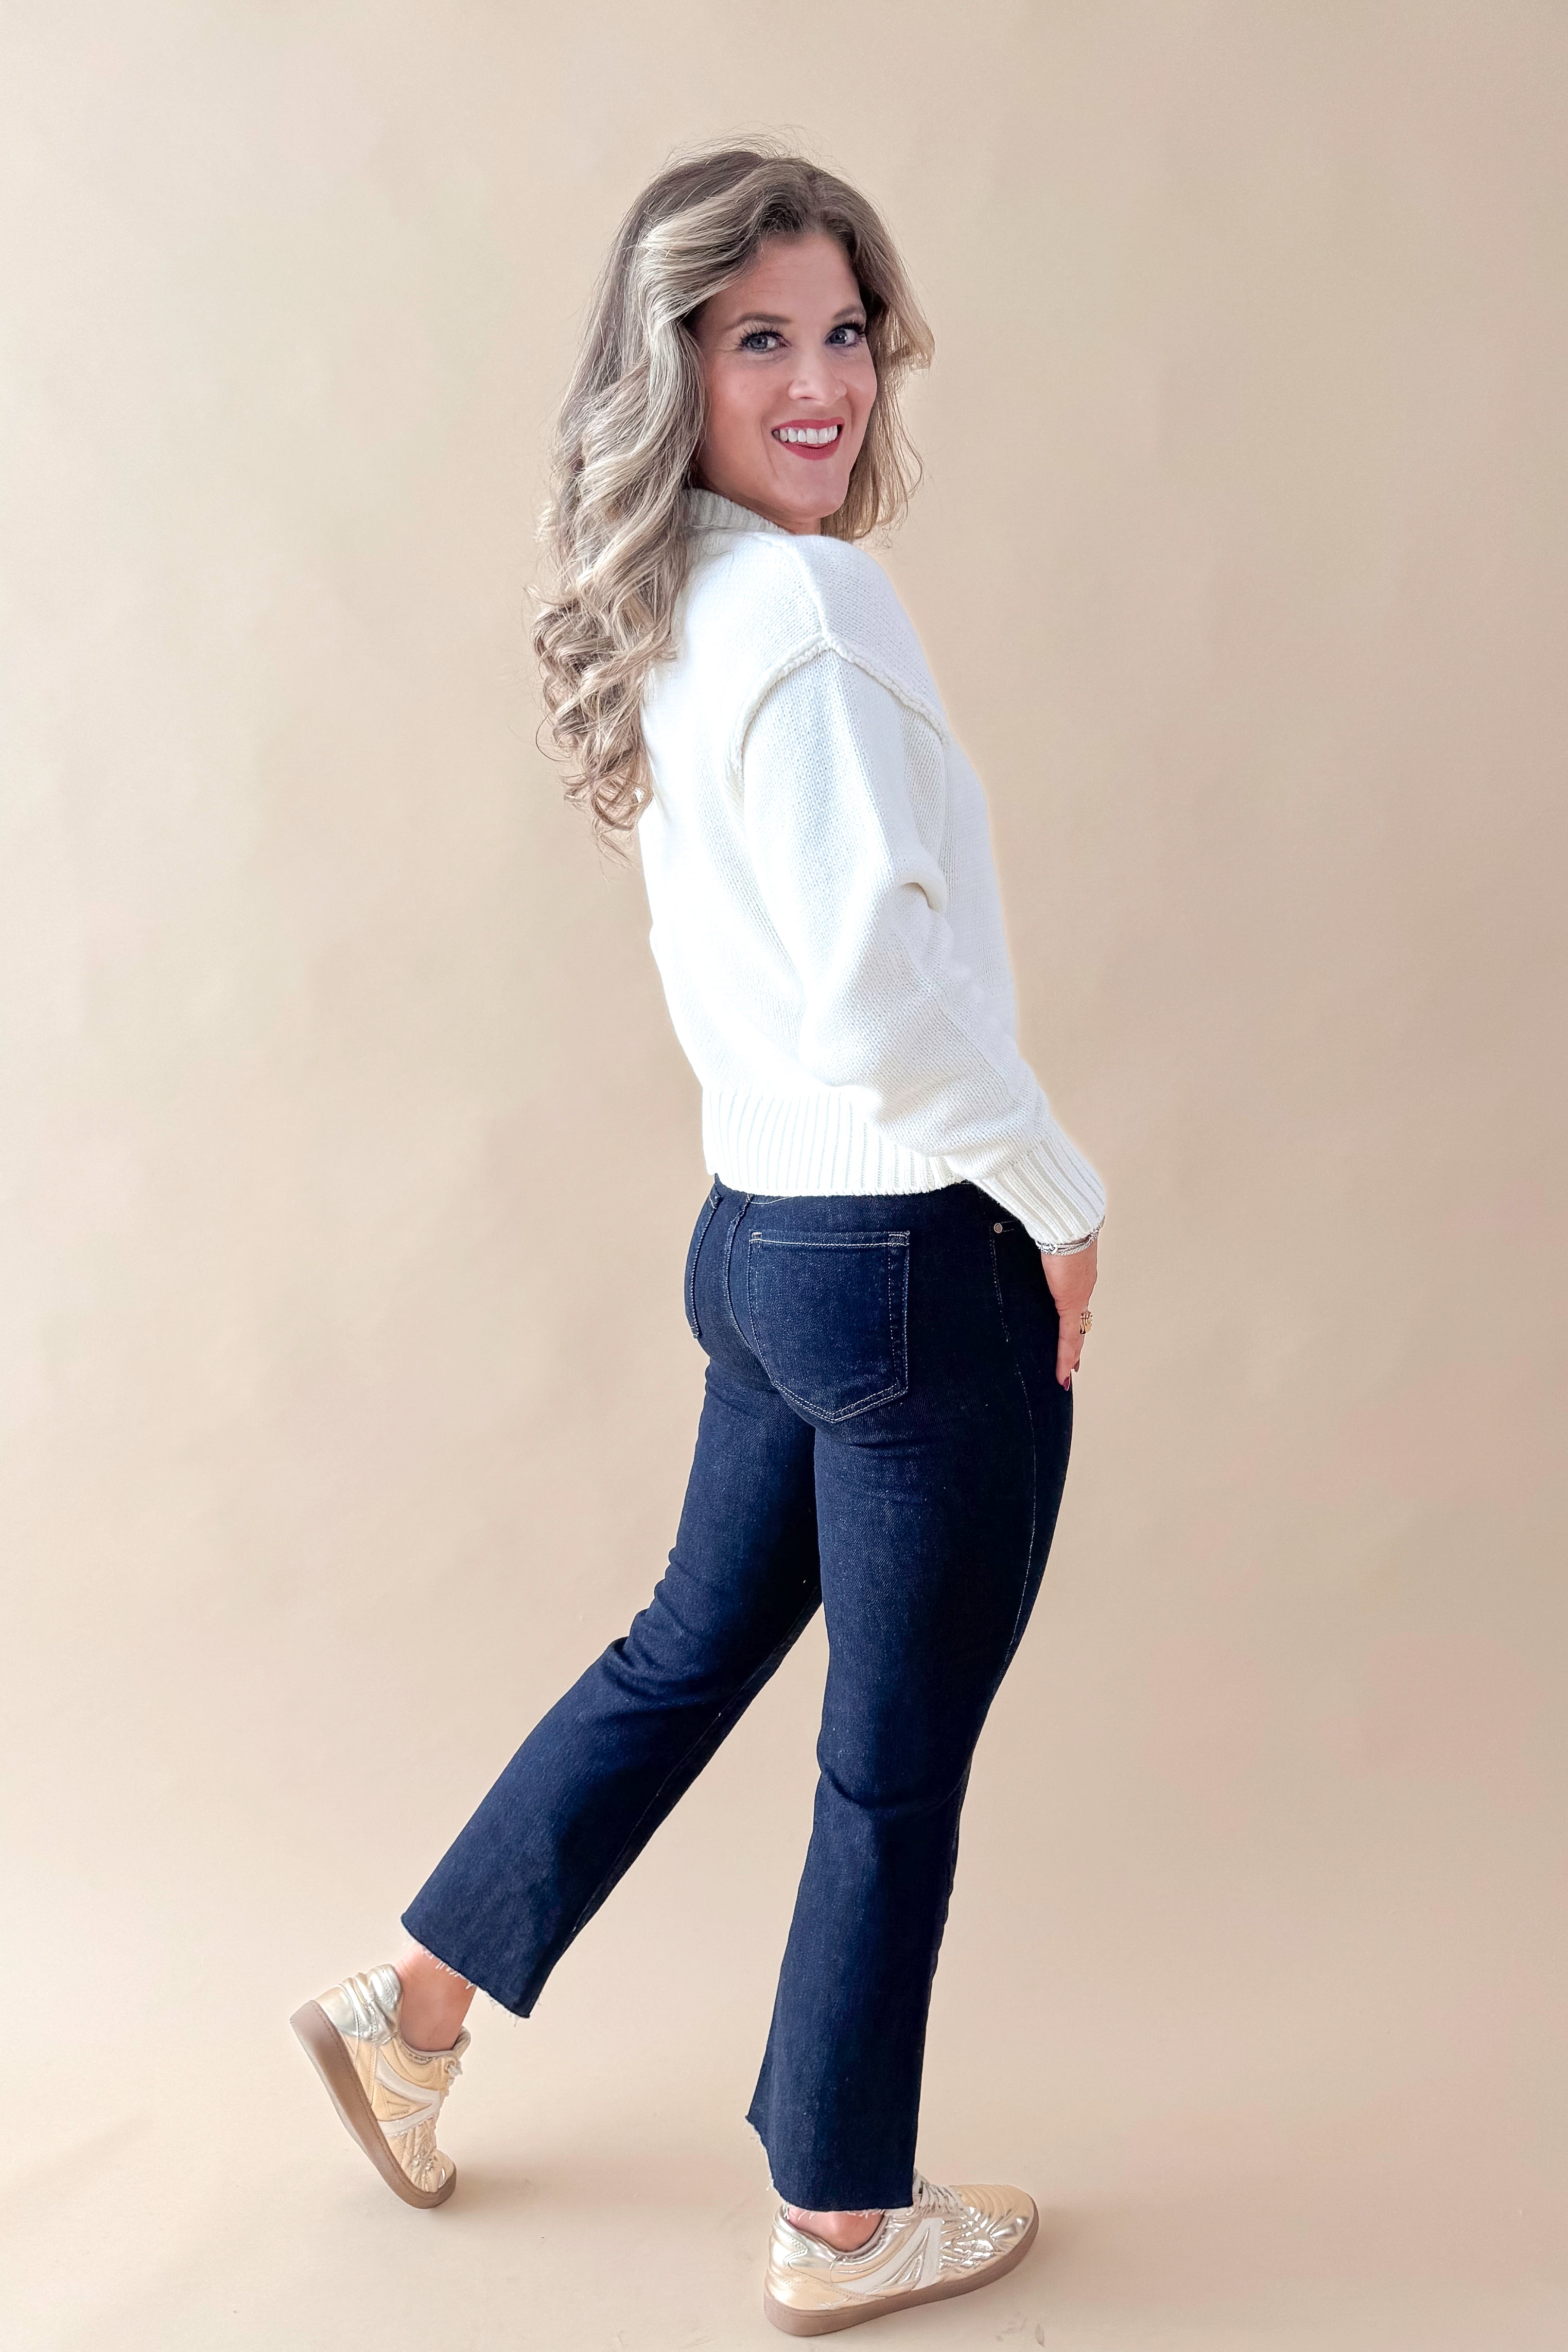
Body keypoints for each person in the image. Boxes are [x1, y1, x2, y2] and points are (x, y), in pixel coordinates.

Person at [291, 143, 1104, 2337]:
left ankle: (413, 2011)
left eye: (845, 333)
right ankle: (846, 2214)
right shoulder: (819, 614)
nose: (822, 382)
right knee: (889, 1757)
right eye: (764, 340)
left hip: (759, 1239)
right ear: (680, 367)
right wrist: (1058, 1191)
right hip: (910, 1253)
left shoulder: (683, 597)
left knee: (685, 1653)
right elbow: (872, 988)